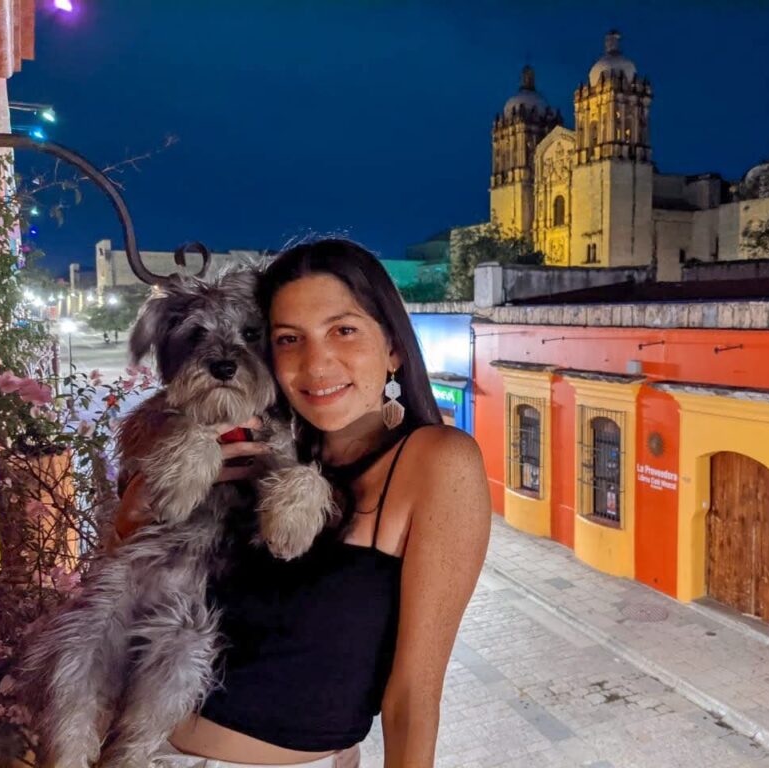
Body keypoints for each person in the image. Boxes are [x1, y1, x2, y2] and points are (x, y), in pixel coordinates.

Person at [112, 239, 492, 767]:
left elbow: (413, 697)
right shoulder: (256, 457)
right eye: (290, 339)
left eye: (344, 330)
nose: (316, 363)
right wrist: (130, 516)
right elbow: (138, 599)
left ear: (394, 350)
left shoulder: (436, 462)